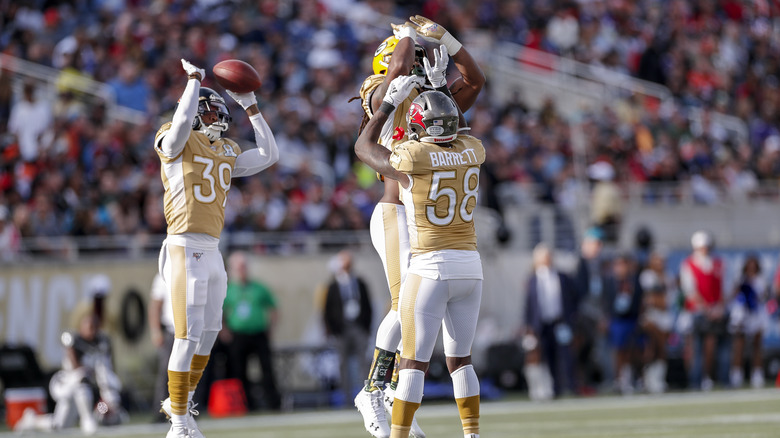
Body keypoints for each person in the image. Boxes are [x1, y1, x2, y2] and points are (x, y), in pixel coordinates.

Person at [354, 15, 484, 438]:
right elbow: (396, 74)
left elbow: (475, 81)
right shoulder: (381, 90)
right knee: (401, 307)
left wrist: (443, 48)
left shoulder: (431, 104)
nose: (413, 67)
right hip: (396, 215)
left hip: (429, 228)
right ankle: (373, 389)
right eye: (404, 62)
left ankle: (393, 388)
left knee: (415, 319)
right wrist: (408, 37)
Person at [156, 59, 280, 438]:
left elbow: (269, 155)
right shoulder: (174, 137)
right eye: (209, 110)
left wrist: (251, 106)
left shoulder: (224, 148)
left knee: (209, 333)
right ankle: (177, 422)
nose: (215, 117)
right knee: (187, 335)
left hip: (213, 249)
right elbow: (178, 130)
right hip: (183, 244)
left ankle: (182, 403)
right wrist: (194, 82)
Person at [15, 311, 124, 435]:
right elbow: (75, 367)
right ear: (82, 327)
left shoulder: (102, 341)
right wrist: (90, 372)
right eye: (90, 327)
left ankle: (32, 420)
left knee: (59, 426)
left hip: (91, 386)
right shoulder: (72, 339)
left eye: (95, 327)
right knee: (82, 379)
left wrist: (105, 399)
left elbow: (106, 371)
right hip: (68, 384)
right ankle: (87, 419)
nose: (93, 331)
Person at [223, 251, 281, 410]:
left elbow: (273, 309)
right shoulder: (228, 290)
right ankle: (246, 404)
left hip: (258, 333)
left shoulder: (259, 288)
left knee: (267, 369)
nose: (242, 270)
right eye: (238, 267)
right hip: (238, 335)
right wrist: (224, 331)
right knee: (239, 370)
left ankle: (274, 404)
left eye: (244, 267)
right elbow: (219, 312)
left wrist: (271, 328)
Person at [522, 243, 578, 399]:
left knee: (566, 355)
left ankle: (569, 386)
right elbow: (528, 305)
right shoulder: (532, 280)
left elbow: (573, 299)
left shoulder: (562, 277)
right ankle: (551, 388)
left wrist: (571, 317)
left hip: (560, 322)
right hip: (542, 324)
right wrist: (528, 326)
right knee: (546, 358)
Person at [323, 249, 374, 405]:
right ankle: (346, 398)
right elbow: (327, 310)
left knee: (363, 363)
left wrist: (366, 327)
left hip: (358, 326)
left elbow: (367, 305)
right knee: (343, 364)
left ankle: (367, 396)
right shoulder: (333, 286)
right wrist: (332, 329)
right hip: (342, 329)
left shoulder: (359, 283)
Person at [678, 230, 726, 391]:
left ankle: (708, 378)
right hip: (696, 312)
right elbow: (691, 292)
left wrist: (717, 308)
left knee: (711, 348)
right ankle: (695, 380)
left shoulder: (717, 263)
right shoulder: (688, 265)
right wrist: (707, 309)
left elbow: (723, 289)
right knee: (694, 348)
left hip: (714, 311)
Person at [602, 254, 643, 395]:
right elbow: (606, 301)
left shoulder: (634, 281)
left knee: (633, 350)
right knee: (618, 350)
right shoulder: (610, 282)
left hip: (631, 319)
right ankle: (619, 379)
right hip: (617, 320)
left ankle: (632, 378)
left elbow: (638, 301)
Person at [728, 254, 769, 388]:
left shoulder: (761, 280)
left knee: (757, 346)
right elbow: (734, 295)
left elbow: (763, 296)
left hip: (756, 315)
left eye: (754, 265)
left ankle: (757, 375)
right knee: (739, 346)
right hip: (742, 314)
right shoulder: (739, 279)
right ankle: (736, 376)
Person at [638, 250, 674, 394]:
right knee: (651, 348)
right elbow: (649, 300)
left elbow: (669, 301)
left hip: (665, 318)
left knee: (662, 349)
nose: (660, 264)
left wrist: (659, 301)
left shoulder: (668, 276)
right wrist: (659, 301)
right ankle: (646, 379)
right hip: (650, 317)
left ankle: (658, 379)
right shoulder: (646, 276)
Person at [148, 273, 174, 422]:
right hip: (172, 330)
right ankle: (161, 411)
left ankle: (189, 408)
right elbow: (155, 305)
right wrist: (155, 330)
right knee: (166, 372)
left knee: (192, 372)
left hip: (192, 329)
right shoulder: (164, 275)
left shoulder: (193, 269)